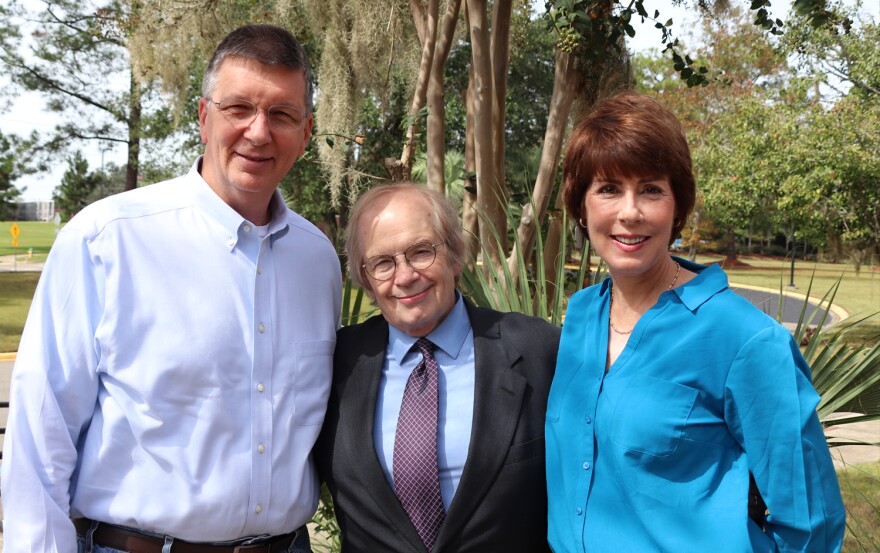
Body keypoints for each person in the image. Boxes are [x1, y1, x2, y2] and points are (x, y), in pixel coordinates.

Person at [1, 24, 342, 553]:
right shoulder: (108, 240)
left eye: (282, 114)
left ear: (305, 131)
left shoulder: (317, 260)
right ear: (204, 117)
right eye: (238, 108)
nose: (258, 132)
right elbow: (40, 430)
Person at [545, 92, 846, 552]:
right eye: (608, 189)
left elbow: (812, 523)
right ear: (581, 208)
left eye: (650, 189)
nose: (630, 212)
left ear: (677, 205)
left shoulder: (746, 340)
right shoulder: (582, 314)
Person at [315, 184, 560, 552]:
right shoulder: (337, 365)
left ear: (455, 254)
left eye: (421, 252)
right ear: (365, 280)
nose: (405, 276)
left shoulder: (537, 351)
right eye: (383, 263)